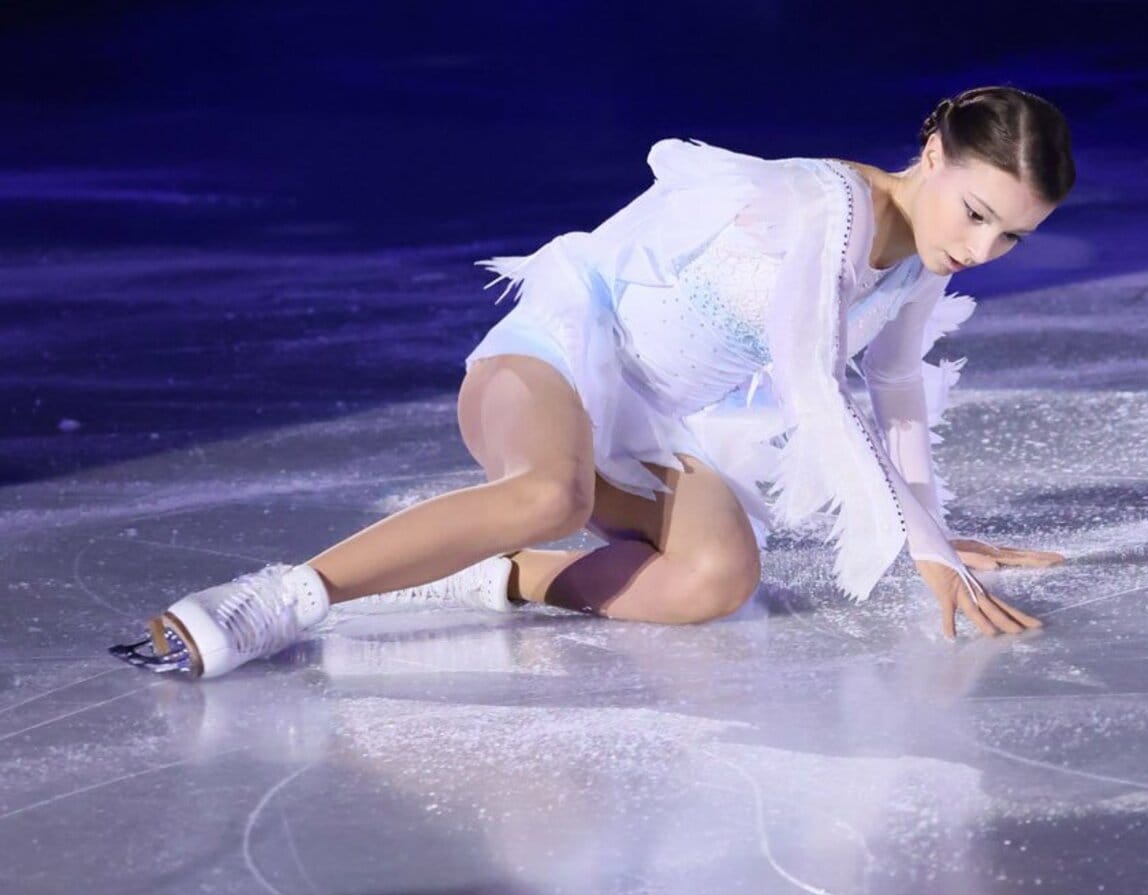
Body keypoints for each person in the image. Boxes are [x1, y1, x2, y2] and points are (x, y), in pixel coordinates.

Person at [110, 86, 1074, 680]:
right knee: (550, 494)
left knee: (718, 578)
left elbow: (894, 382)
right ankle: (279, 597)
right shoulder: (832, 208)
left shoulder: (924, 258)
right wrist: (917, 547)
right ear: (933, 155)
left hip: (646, 424)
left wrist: (933, 530)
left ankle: (494, 573)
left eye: (1012, 235)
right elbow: (811, 380)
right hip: (552, 358)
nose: (982, 247)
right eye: (976, 212)